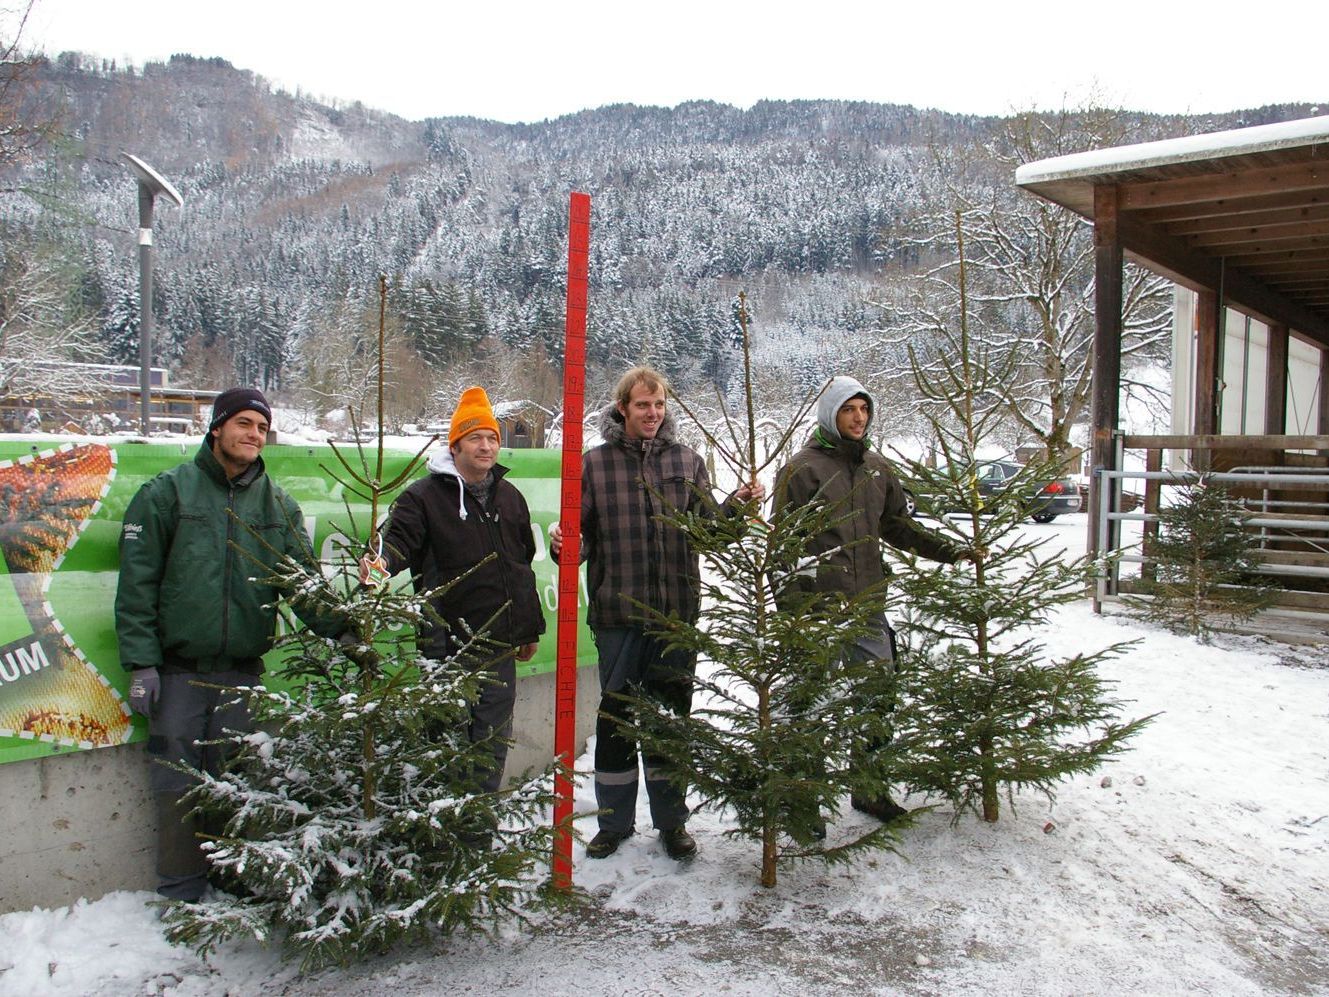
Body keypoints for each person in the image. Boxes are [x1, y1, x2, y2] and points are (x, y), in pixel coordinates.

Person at [116, 387, 341, 902]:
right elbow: (137, 586)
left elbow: (303, 585)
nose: (253, 435)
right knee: (176, 785)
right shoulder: (166, 494)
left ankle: (235, 881)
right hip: (177, 672)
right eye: (243, 424)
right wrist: (142, 664)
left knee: (239, 784)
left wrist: (345, 630)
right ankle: (181, 891)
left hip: (242, 673)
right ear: (217, 427)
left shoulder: (277, 505)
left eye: (262, 428)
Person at [550, 366, 763, 860]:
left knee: (671, 722)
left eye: (660, 404)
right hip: (618, 615)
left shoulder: (688, 461)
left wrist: (739, 506)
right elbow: (575, 542)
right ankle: (613, 823)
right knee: (618, 720)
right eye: (643, 404)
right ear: (622, 408)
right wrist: (565, 545)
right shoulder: (594, 465)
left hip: (675, 617)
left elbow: (710, 530)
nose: (652, 413)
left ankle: (672, 823)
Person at [773, 374, 972, 824]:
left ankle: (869, 788)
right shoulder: (801, 469)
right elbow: (782, 549)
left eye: (864, 409)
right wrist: (791, 614)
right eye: (849, 409)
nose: (859, 417)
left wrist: (949, 551)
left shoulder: (877, 468)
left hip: (867, 605)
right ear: (831, 414)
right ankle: (803, 800)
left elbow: (899, 526)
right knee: (811, 701)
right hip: (817, 612)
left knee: (877, 697)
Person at [359, 386, 543, 796]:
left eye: (492, 437)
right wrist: (376, 567)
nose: (486, 445)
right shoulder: (422, 498)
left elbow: (521, 566)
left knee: (492, 745)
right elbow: (395, 546)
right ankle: (444, 841)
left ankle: (478, 832)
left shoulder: (510, 497)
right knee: (447, 749)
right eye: (475, 437)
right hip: (448, 650)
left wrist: (526, 630)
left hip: (498, 648)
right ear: (455, 445)